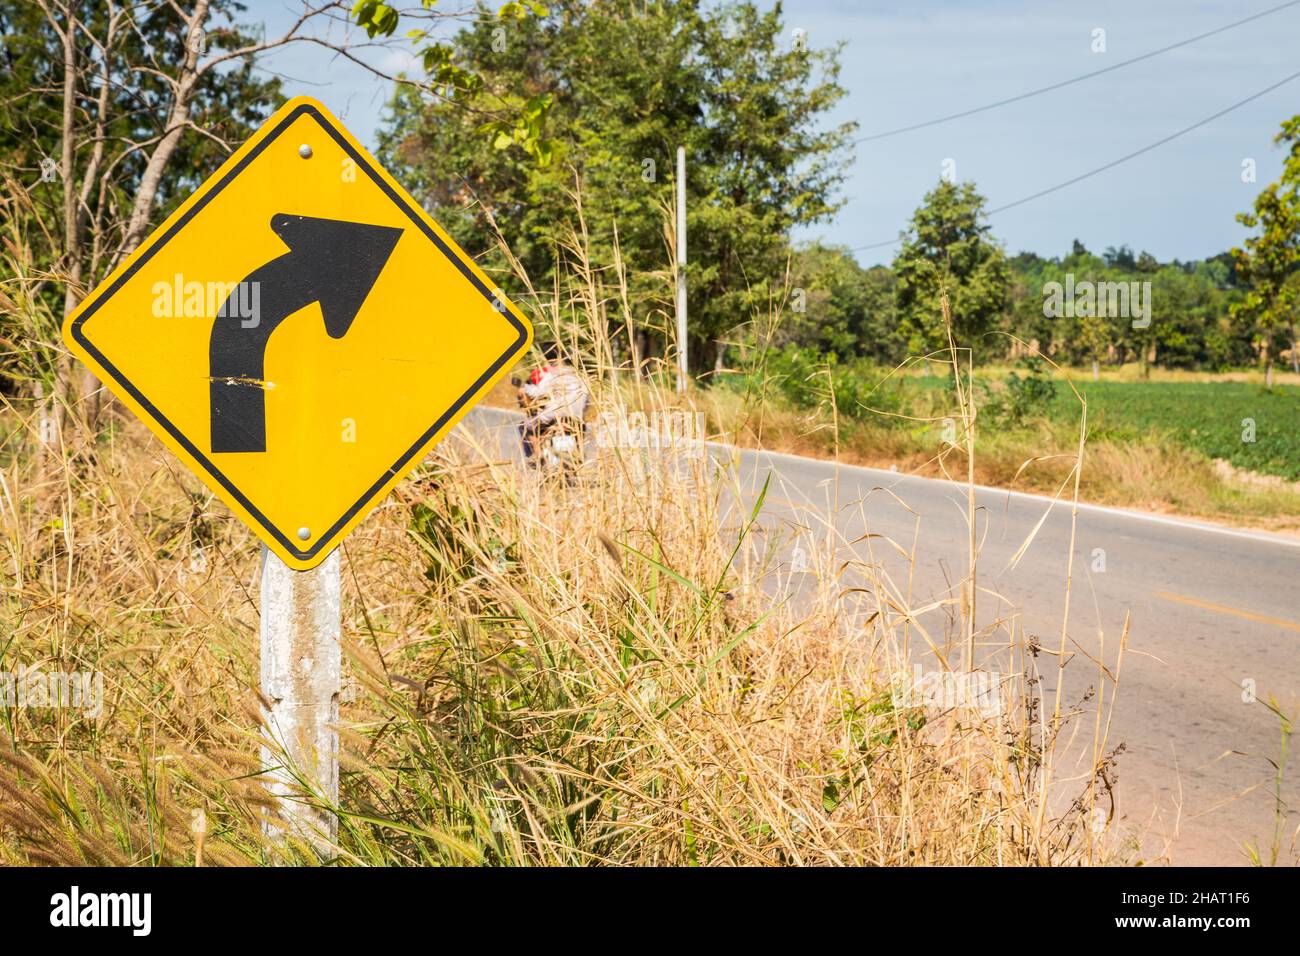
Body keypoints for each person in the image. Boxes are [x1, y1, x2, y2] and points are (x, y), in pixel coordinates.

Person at [516, 346, 589, 460]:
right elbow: (586, 401)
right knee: (581, 428)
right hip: (576, 418)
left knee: (526, 427)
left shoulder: (552, 375)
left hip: (553, 415)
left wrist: (525, 388)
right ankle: (578, 452)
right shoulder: (581, 377)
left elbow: (538, 392)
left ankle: (537, 455)